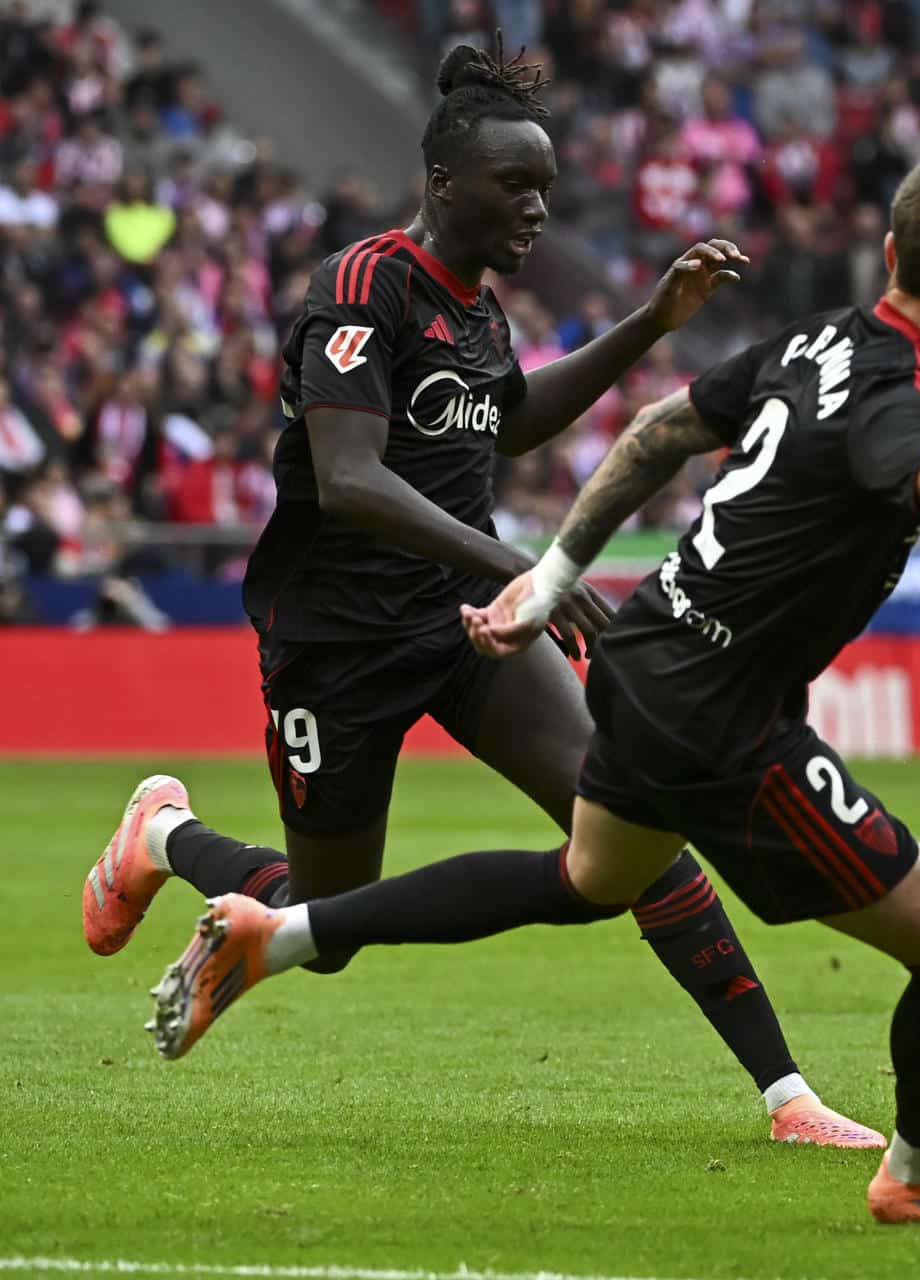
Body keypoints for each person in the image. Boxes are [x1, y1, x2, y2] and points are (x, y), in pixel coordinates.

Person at [142, 154, 920, 1226]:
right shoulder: (893, 402)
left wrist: (554, 577)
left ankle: (276, 931)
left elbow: (658, 428)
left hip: (645, 653)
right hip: (723, 715)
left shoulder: (820, 341)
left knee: (585, 876)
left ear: (886, 252)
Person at [85, 38, 879, 1148]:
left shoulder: (477, 309)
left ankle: (787, 1096)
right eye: (518, 186)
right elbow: (350, 482)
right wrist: (531, 563)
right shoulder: (365, 287)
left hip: (465, 621)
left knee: (628, 821)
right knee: (330, 919)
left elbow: (510, 419)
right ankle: (163, 834)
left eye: (548, 189)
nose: (539, 210)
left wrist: (651, 322)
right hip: (338, 640)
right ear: (447, 182)